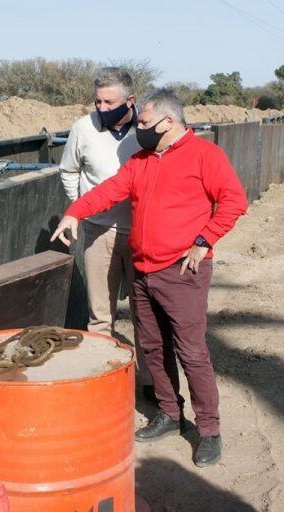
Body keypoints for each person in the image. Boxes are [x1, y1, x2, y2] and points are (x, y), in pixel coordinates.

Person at [51, 88, 248, 467]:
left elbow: (233, 201)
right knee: (154, 348)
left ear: (168, 122)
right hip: (143, 271)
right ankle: (170, 415)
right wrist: (75, 212)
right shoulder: (142, 161)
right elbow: (110, 191)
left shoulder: (205, 155)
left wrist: (203, 242)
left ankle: (209, 430)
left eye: (143, 122)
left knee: (191, 352)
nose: (138, 128)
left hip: (182, 272)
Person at [59, 67, 153, 396]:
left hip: (141, 233)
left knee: (146, 316)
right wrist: (79, 206)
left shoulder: (146, 129)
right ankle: (104, 383)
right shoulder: (83, 129)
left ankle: (151, 385)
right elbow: (69, 170)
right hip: (99, 231)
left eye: (109, 101)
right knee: (100, 314)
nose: (101, 108)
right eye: (97, 100)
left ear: (130, 100)